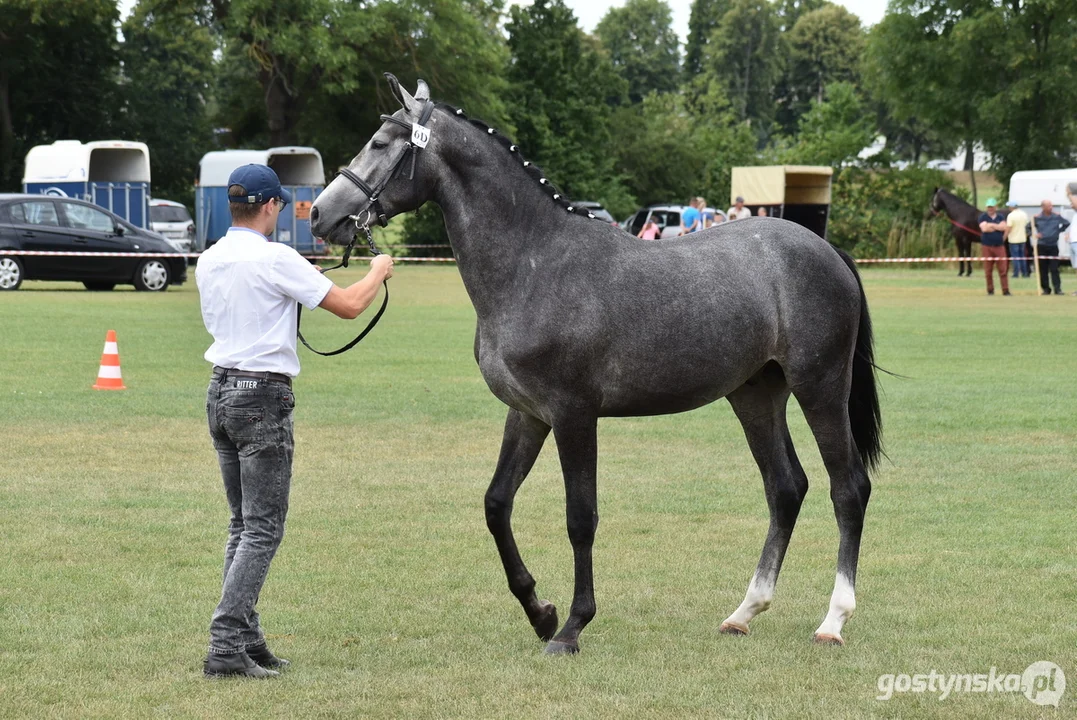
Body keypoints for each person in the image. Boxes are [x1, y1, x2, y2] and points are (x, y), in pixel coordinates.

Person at [196, 164, 394, 679]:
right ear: (268, 206)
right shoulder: (276, 257)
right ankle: (225, 644)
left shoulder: (212, 257)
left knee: (243, 525)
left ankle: (247, 636)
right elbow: (350, 305)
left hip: (220, 390)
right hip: (262, 396)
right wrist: (378, 270)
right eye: (280, 204)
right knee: (262, 530)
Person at [1028, 199, 1069, 295]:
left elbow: (1066, 223)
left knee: (1054, 268)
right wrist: (1034, 234)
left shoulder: (1056, 216)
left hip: (1053, 245)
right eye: (1049, 206)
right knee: (1043, 269)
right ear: (1043, 207)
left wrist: (1058, 231)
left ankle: (1057, 289)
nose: (1051, 207)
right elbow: (1028, 227)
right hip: (1041, 245)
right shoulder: (1037, 217)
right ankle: (1046, 289)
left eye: (1051, 205)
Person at [977, 198, 1010, 296]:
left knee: (1003, 269)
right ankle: (990, 290)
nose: (990, 209)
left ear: (995, 207)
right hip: (987, 246)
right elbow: (984, 229)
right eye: (988, 207)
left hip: (999, 246)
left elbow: (1004, 227)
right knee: (988, 270)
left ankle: (1005, 290)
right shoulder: (982, 217)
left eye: (992, 207)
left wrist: (991, 225)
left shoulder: (1000, 216)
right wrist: (997, 227)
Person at [1004, 200, 1029, 278]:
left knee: (1015, 257)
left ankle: (1016, 273)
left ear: (1012, 207)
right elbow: (1027, 226)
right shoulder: (1024, 214)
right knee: (1022, 257)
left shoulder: (1011, 216)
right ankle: (1024, 273)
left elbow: (1009, 228)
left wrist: (1004, 237)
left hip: (1013, 239)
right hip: (1023, 239)